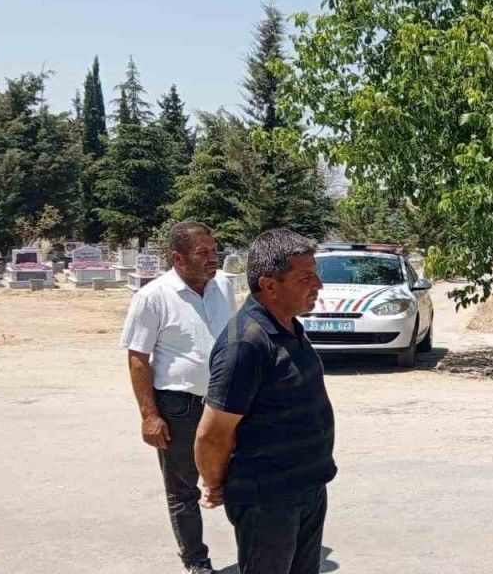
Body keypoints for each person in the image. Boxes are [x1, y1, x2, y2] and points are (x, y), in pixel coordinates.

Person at [195, 229, 335, 574]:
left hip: (306, 488)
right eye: (305, 277)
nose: (318, 284)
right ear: (270, 285)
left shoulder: (288, 327)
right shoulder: (246, 343)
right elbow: (212, 434)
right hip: (268, 499)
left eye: (315, 274)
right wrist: (215, 483)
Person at [119, 222, 234, 574]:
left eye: (214, 250)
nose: (212, 258)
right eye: (203, 253)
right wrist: (149, 415)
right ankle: (196, 561)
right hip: (179, 407)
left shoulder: (224, 286)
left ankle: (257, 553)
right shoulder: (153, 296)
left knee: (241, 478)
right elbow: (138, 357)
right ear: (178, 258)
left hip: (226, 404)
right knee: (183, 489)